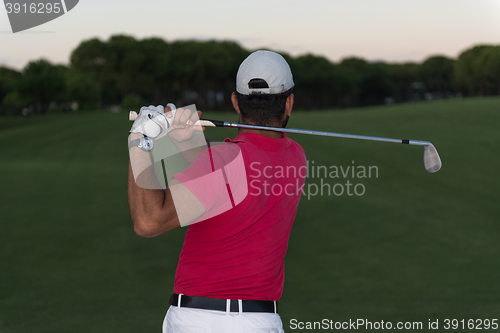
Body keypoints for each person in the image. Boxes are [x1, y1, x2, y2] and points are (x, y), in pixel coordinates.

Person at [127, 50, 307, 333]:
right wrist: (186, 142)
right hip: (261, 322)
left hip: (198, 321)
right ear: (289, 103)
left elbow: (149, 222)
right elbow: (231, 171)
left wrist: (141, 139)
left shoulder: (222, 162)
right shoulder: (297, 158)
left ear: (236, 102)